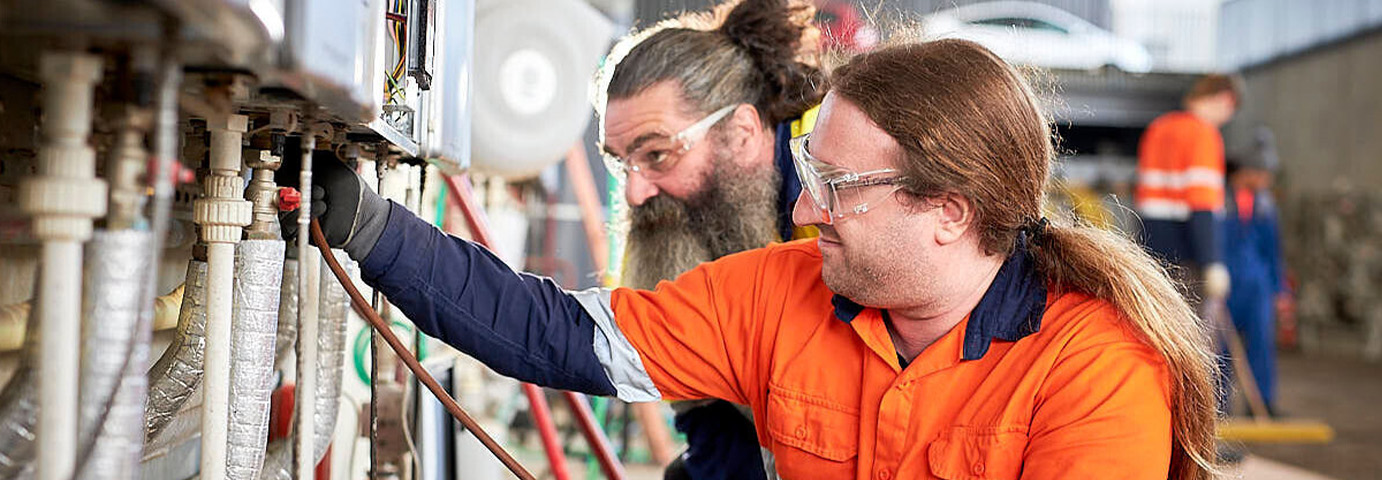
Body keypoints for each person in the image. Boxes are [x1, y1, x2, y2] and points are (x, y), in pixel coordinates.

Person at [295, 38, 1218, 479]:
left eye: (840, 187)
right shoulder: (785, 289)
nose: (806, 208)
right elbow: (559, 335)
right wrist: (377, 231)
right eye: (809, 173)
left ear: (949, 212)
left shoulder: (1096, 371)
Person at [594, 0, 826, 477]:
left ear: (741, 131)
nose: (635, 193)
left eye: (657, 154)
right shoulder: (688, 209)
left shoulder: (832, 178)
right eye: (621, 163)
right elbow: (709, 423)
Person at [1136, 74, 1243, 306]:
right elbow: (1201, 203)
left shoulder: (1157, 129)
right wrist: (1211, 261)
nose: (1225, 120)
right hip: (1188, 259)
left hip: (1151, 252)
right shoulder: (1203, 134)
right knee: (1191, 336)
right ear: (1225, 99)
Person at [1218, 127, 1285, 415]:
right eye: (1264, 174)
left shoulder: (1266, 205)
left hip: (1257, 287)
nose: (1267, 181)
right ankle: (1216, 407)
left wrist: (1279, 289)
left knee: (1261, 344)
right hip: (1224, 283)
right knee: (1217, 346)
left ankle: (1263, 404)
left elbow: (1273, 250)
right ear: (1247, 171)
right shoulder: (1219, 198)